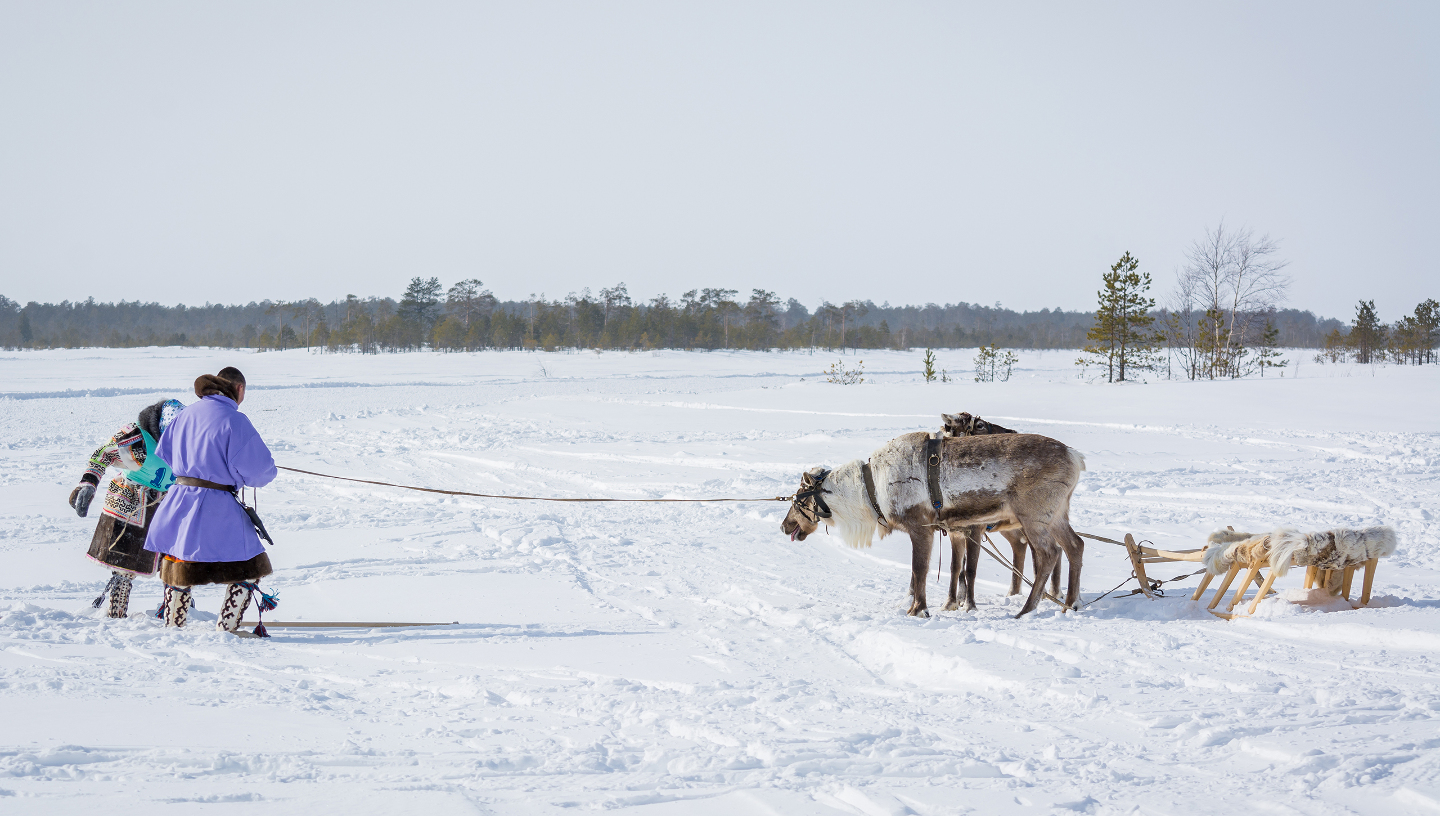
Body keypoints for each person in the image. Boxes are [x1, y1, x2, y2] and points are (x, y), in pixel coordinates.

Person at [144, 367, 278, 633]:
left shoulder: (185, 415)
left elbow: (165, 453)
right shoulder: (235, 420)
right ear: (239, 389)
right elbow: (260, 472)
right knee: (250, 567)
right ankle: (226, 629)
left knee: (180, 565)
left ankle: (174, 627)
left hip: (179, 500)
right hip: (216, 504)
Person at [68, 399, 186, 617]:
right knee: (125, 560)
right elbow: (103, 454)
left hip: (168, 503)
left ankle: (176, 610)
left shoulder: (190, 443)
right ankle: (116, 611)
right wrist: (88, 484)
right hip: (131, 501)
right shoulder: (138, 441)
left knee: (175, 560)